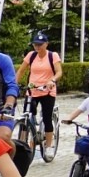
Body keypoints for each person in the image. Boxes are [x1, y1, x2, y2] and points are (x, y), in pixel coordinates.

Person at [15, 31, 63, 159]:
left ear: (46, 44)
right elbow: (20, 71)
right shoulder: (31, 56)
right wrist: (14, 85)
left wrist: (52, 80)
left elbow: (59, 72)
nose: (37, 47)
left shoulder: (53, 56)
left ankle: (48, 147)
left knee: (47, 118)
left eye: (40, 45)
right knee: (27, 117)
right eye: (35, 45)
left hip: (47, 91)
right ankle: (22, 145)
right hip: (32, 90)